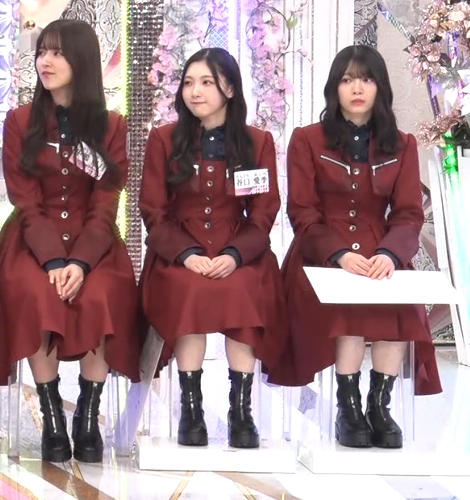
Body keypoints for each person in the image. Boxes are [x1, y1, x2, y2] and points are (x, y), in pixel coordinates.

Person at [281, 45, 442, 449]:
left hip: (381, 250)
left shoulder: (402, 144)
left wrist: (389, 254)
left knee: (401, 305)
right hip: (320, 253)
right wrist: (339, 254)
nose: (357, 88)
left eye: (366, 80)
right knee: (347, 306)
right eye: (347, 80)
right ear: (334, 88)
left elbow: (408, 213)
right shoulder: (307, 139)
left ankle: (379, 405)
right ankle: (348, 407)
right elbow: (302, 210)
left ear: (380, 87)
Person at [0, 19, 141, 463]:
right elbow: (26, 201)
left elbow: (105, 203)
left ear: (82, 61)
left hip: (93, 239)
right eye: (42, 51)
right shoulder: (19, 121)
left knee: (102, 293)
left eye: (58, 53)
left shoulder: (112, 126)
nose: (46, 61)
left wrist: (79, 262)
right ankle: (51, 415)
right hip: (32, 238)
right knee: (32, 291)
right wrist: (53, 261)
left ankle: (88, 412)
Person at [139, 47, 289, 449]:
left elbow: (263, 211)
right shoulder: (164, 139)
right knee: (188, 289)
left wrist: (234, 255)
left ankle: (241, 411)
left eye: (207, 82)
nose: (195, 92)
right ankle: (191, 410)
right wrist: (186, 254)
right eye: (189, 83)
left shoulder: (257, 142)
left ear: (230, 88)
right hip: (179, 250)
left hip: (238, 248)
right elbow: (152, 210)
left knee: (244, 288)